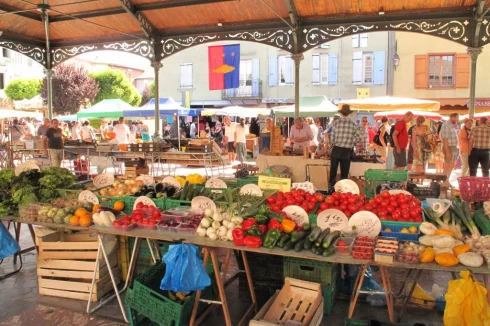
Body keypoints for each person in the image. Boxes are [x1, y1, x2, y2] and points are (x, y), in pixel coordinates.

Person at [328, 105, 361, 191]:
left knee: (333, 171)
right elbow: (359, 139)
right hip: (346, 151)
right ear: (349, 114)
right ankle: (342, 190)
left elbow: (332, 138)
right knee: (344, 173)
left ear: (341, 113)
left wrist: (335, 143)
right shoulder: (353, 124)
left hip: (336, 149)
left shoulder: (335, 123)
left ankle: (331, 189)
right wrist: (352, 144)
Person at [440, 113, 460, 181]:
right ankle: (444, 181)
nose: (458, 119)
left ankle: (447, 180)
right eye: (457, 118)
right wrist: (447, 151)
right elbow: (445, 139)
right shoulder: (446, 125)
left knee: (451, 165)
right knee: (447, 165)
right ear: (452, 117)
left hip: (453, 147)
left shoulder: (452, 125)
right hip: (449, 147)